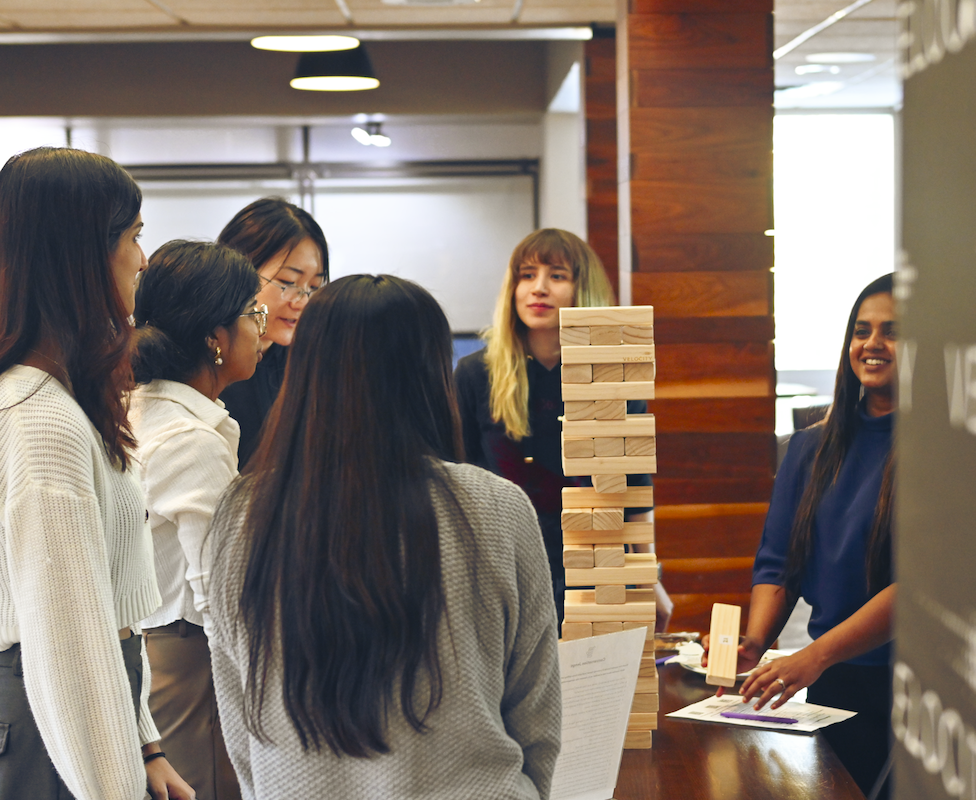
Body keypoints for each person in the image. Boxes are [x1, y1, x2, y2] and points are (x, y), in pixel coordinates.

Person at [207, 275, 561, 800]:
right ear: (433, 375)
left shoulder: (245, 513)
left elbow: (240, 721)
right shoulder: (497, 507)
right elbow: (538, 718)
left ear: (306, 373)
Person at [0, 147, 192, 800]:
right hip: (48, 723)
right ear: (81, 254)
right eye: (134, 236)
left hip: (76, 713)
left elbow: (103, 621)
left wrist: (146, 746)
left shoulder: (61, 399)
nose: (143, 258)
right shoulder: (38, 417)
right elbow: (67, 643)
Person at [714, 274, 897, 798]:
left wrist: (814, 656)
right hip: (833, 684)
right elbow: (778, 565)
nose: (872, 344)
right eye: (861, 330)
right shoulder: (809, 449)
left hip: (912, 690)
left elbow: (920, 588)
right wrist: (753, 642)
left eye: (893, 331)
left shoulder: (942, 455)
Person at [454, 228, 673, 629]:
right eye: (526, 275)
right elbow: (458, 478)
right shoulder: (474, 374)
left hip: (598, 567)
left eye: (556, 275)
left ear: (580, 288)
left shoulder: (612, 372)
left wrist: (648, 577)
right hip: (505, 566)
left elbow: (634, 489)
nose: (538, 288)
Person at [130, 240, 266, 800]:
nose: (262, 329)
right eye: (253, 315)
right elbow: (220, 594)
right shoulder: (191, 440)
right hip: (189, 661)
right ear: (216, 338)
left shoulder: (141, 407)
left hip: (155, 653)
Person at [216, 197, 328, 468]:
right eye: (288, 282)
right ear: (238, 269)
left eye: (314, 287)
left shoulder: (310, 361)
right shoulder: (205, 361)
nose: (301, 300)